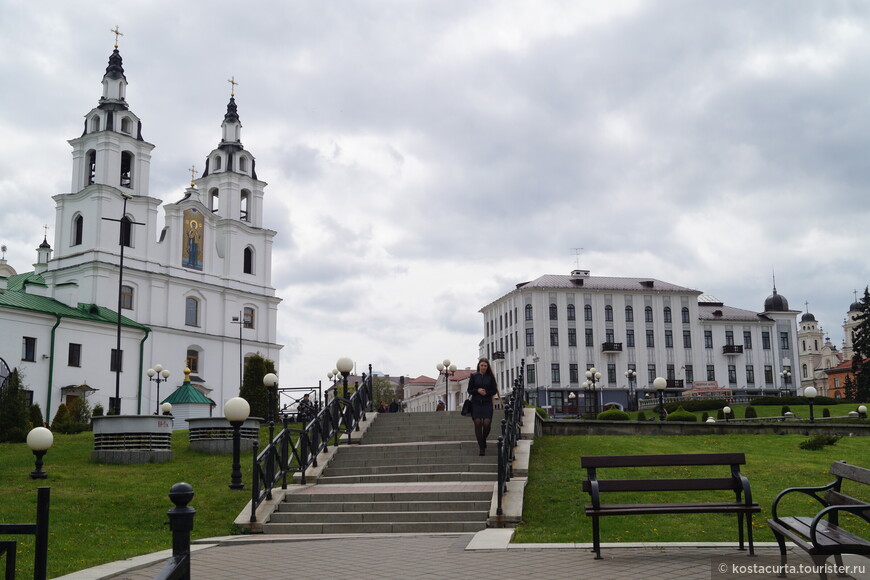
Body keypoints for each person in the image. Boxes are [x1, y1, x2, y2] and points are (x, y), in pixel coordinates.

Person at [466, 357, 498, 456]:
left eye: (485, 365)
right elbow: (469, 390)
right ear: (479, 366)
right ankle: (481, 448)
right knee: (478, 422)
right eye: (481, 365)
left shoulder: (490, 377)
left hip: (487, 402)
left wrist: (486, 393)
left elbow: (494, 390)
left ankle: (483, 440)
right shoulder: (474, 376)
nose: (483, 367)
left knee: (487, 423)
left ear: (487, 366)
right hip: (476, 402)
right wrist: (477, 390)